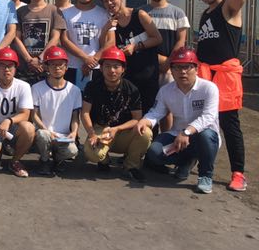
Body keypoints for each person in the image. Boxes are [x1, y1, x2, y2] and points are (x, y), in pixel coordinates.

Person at [193, 0, 247, 192]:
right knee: (202, 121)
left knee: (229, 123)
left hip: (225, 75)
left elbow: (238, 2)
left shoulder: (227, 6)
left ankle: (238, 174)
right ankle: (199, 163)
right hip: (206, 75)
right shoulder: (205, 14)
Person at [139, 48, 221, 194]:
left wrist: (187, 132)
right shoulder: (165, 91)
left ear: (196, 69)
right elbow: (156, 112)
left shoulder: (209, 88)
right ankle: (186, 161)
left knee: (206, 136)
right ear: (171, 70)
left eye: (187, 67)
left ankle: (205, 175)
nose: (183, 72)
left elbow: (209, 117)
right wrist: (145, 121)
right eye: (177, 67)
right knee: (154, 152)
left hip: (203, 136)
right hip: (177, 135)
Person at [81, 47, 151, 182]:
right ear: (101, 68)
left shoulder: (131, 89)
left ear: (123, 69)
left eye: (116, 66)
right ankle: (104, 160)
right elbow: (85, 112)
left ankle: (131, 166)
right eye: (107, 66)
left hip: (124, 131)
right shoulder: (92, 86)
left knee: (145, 133)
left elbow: (137, 118)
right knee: (92, 153)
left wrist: (117, 129)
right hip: (101, 130)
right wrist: (92, 134)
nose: (112, 70)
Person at [99, 0, 162, 113]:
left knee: (149, 112)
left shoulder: (139, 15)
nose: (109, 3)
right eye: (105, 1)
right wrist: (105, 29)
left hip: (147, 73)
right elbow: (105, 46)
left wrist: (136, 46)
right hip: (127, 77)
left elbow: (157, 38)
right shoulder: (111, 23)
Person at [0, 48, 35, 177]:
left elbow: (25, 114)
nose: (6, 69)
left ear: (15, 68)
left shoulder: (23, 86)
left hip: (12, 128)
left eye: (10, 65)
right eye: (2, 65)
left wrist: (9, 120)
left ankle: (15, 161)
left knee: (29, 128)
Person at [31, 46, 81, 176]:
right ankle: (44, 160)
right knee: (43, 135)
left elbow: (75, 117)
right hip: (45, 132)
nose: (57, 68)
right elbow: (34, 115)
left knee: (73, 151)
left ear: (66, 67)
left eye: (60, 64)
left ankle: (57, 160)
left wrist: (74, 132)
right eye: (53, 64)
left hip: (63, 136)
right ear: (46, 67)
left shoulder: (74, 90)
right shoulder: (36, 88)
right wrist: (46, 130)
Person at [13, 0, 66, 85]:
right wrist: (29, 60)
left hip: (47, 67)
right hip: (24, 68)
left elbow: (55, 38)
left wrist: (40, 59)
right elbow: (16, 38)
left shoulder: (54, 11)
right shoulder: (20, 12)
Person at [140, 0, 189, 85]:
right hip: (144, 67)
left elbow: (181, 41)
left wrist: (168, 63)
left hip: (169, 70)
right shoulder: (140, 13)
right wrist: (156, 58)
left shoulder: (178, 13)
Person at [61, 0, 109, 89]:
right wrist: (85, 58)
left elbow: (110, 41)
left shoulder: (104, 13)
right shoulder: (65, 14)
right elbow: (64, 40)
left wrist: (94, 60)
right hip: (72, 66)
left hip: (97, 67)